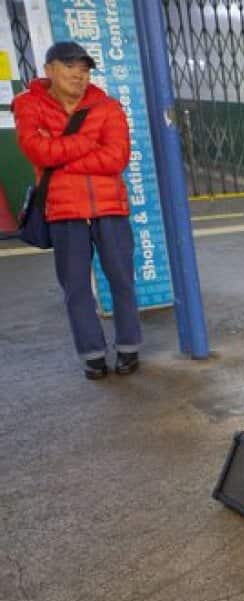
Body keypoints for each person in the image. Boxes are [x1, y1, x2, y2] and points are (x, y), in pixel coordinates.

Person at [14, 42, 139, 380]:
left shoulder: (107, 107)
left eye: (84, 69)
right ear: (50, 69)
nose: (79, 75)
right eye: (70, 67)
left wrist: (62, 153)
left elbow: (117, 157)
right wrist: (88, 141)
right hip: (64, 212)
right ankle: (92, 354)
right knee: (76, 288)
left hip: (109, 208)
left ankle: (129, 346)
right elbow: (38, 151)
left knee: (122, 280)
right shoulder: (28, 105)